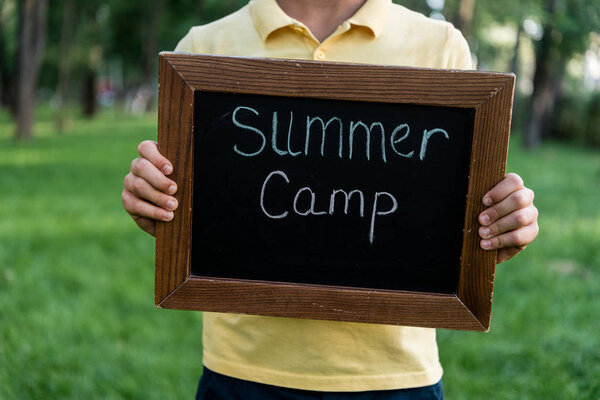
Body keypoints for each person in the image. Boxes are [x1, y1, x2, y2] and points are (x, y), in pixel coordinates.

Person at [121, 0, 539, 398]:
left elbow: (460, 212)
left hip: (395, 376)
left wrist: (499, 228)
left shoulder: (440, 47)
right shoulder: (204, 47)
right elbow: (185, 200)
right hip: (242, 369)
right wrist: (155, 200)